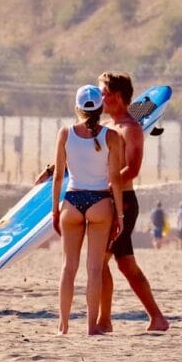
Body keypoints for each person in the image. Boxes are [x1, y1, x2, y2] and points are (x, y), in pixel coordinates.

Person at [96, 71, 170, 332]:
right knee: (126, 264)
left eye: (103, 94)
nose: (100, 99)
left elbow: (133, 169)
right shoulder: (105, 127)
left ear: (116, 96)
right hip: (105, 199)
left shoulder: (131, 129)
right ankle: (157, 318)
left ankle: (104, 321)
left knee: (99, 261)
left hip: (122, 202)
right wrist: (51, 170)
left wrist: (107, 187)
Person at [52, 85, 124, 335]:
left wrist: (54, 210)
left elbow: (58, 177)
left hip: (71, 201)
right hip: (100, 202)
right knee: (94, 269)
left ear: (77, 108)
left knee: (68, 267)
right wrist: (120, 215)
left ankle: (63, 325)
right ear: (101, 108)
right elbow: (115, 178)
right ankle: (92, 326)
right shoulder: (111, 136)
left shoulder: (65, 133)